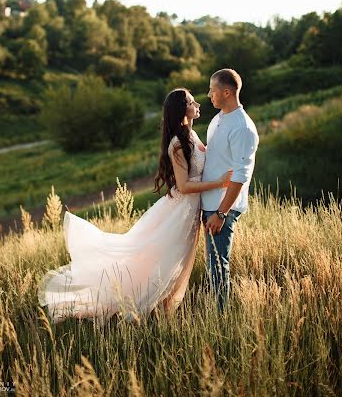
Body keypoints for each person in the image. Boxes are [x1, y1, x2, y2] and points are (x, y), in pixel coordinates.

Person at [38, 88, 231, 323]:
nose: (197, 104)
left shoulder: (191, 135)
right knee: (167, 266)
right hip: (180, 213)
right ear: (183, 110)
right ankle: (150, 315)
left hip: (189, 213)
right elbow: (183, 186)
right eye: (192, 102)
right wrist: (219, 183)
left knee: (177, 267)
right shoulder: (177, 144)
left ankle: (164, 318)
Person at [201, 69, 259, 311]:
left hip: (221, 208)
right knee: (211, 264)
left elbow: (240, 176)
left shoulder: (243, 127)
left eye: (213, 91)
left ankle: (220, 318)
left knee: (218, 265)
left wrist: (222, 213)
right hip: (209, 203)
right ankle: (216, 312)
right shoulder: (219, 118)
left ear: (227, 92)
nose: (209, 95)